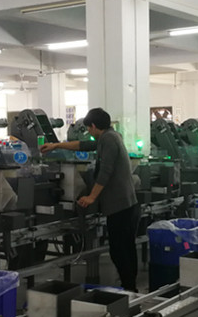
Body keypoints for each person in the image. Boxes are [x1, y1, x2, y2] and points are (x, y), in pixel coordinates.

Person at [40, 108, 140, 291]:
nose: (89, 132)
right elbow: (83, 145)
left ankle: (129, 289)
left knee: (119, 250)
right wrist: (56, 146)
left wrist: (91, 197)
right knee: (127, 247)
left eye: (88, 128)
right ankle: (130, 287)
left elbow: (106, 172)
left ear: (93, 126)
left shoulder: (109, 139)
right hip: (126, 204)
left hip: (120, 206)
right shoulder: (110, 136)